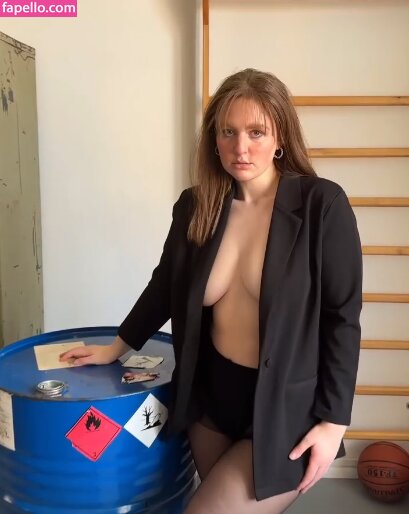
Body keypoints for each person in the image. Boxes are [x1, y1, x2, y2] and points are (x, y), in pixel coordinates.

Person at [60, 68, 362, 513]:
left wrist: (335, 422)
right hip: (210, 402)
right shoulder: (196, 206)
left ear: (280, 136)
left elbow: (342, 320)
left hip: (286, 409)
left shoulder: (323, 206)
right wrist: (117, 346)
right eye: (228, 132)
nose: (241, 148)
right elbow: (164, 285)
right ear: (214, 139)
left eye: (256, 132)